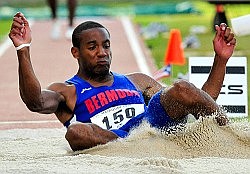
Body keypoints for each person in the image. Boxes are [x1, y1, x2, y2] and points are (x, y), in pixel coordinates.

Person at [9, 12, 236, 151]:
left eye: (106, 45)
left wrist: (221, 60)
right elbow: (35, 101)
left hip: (151, 126)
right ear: (75, 53)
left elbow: (197, 100)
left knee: (183, 88)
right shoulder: (68, 90)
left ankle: (234, 136)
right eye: (92, 47)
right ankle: (134, 147)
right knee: (75, 132)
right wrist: (22, 49)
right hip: (117, 141)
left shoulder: (137, 80)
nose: (102, 52)